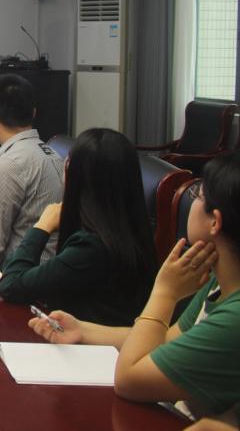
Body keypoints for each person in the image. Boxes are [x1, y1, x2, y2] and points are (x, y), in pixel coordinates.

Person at [30, 151, 240, 421]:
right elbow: (167, 340)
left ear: (215, 222)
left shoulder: (234, 318)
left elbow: (129, 380)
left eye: (198, 195)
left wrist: (165, 292)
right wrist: (82, 331)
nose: (193, 203)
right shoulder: (218, 283)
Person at [0, 128, 157, 325]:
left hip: (85, 342)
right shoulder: (132, 229)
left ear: (76, 176)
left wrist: (41, 227)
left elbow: (10, 286)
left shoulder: (90, 248)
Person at [0, 74, 63, 267]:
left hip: (20, 276)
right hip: (47, 271)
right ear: (34, 113)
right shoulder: (53, 154)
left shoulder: (8, 165)